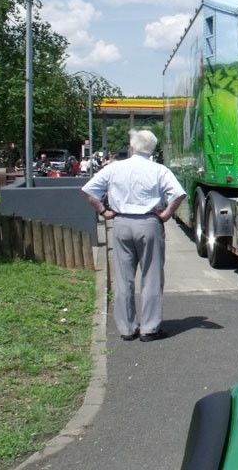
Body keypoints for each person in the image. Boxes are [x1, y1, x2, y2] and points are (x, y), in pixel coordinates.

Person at [81, 129, 186, 342]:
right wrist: (165, 214)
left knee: (123, 277)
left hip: (121, 222)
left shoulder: (115, 168)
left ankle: (127, 328)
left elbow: (89, 191)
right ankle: (149, 328)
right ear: (153, 148)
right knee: (152, 276)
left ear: (132, 146)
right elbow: (178, 193)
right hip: (149, 223)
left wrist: (103, 211)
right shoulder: (159, 170)